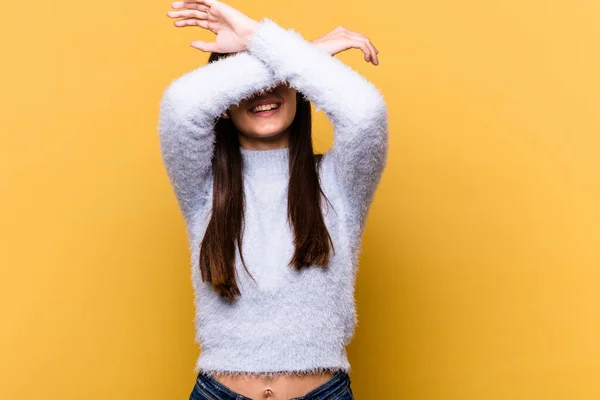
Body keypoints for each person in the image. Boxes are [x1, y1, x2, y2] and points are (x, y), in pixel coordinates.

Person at [158, 0, 389, 398]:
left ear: (300, 86)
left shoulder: (339, 179)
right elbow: (182, 105)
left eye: (281, 78)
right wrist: (307, 50)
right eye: (244, 84)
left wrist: (259, 41)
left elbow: (365, 113)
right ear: (225, 104)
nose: (264, 91)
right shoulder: (202, 183)